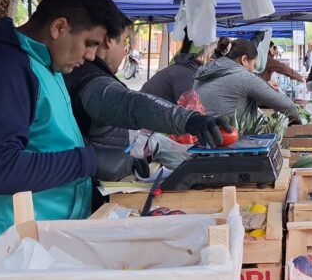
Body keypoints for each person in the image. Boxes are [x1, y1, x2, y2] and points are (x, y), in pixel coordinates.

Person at [0, 0, 124, 278]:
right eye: (89, 42)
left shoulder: (43, 65)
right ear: (59, 27)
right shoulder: (3, 69)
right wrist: (87, 160)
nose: (91, 56)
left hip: (34, 251)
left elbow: (45, 140)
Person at [64, 16, 227, 181]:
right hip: (87, 185)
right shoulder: (91, 80)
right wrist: (189, 119)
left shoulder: (77, 74)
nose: (125, 51)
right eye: (125, 43)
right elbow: (131, 104)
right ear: (109, 42)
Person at [195, 39, 301, 124]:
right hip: (231, 140)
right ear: (244, 59)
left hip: (202, 137)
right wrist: (297, 123)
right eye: (254, 65)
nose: (253, 70)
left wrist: (265, 85)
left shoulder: (204, 71)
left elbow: (228, 95)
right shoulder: (242, 76)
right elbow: (287, 106)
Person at [139, 36, 206, 103]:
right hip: (145, 105)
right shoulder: (185, 74)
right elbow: (188, 105)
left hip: (149, 103)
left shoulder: (186, 68)